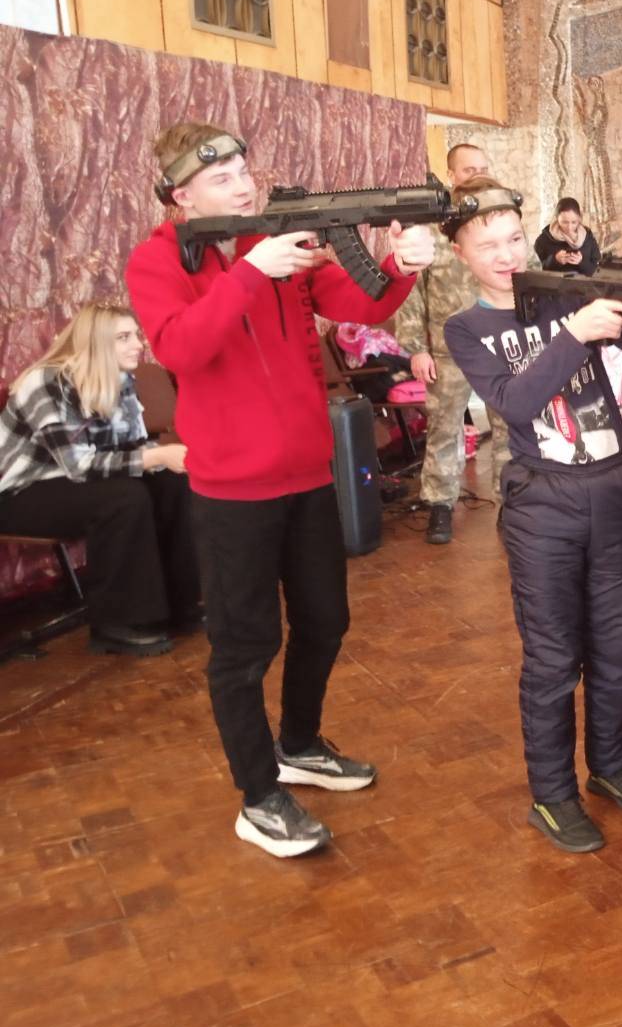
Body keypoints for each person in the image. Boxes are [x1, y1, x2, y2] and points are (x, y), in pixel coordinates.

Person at [125, 121, 436, 858]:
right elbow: (180, 347)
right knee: (245, 646)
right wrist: (249, 272)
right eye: (222, 177)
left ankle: (299, 744)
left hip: (306, 474)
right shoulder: (157, 259)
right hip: (232, 488)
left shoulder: (276, 245)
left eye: (243, 170)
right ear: (180, 196)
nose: (243, 185)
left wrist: (400, 264)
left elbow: (363, 304)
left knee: (326, 621)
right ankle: (259, 796)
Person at [443, 176, 622, 854]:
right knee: (553, 658)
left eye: (514, 238)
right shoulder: (467, 328)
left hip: (613, 490)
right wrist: (575, 333)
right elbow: (516, 402)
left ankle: (609, 767)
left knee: (620, 645)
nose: (507, 255)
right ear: (460, 253)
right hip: (542, 504)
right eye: (487, 246)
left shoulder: (565, 293)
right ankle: (552, 796)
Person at [0, 303, 198, 655]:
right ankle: (117, 623)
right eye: (123, 337)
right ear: (94, 343)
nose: (138, 344)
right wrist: (156, 456)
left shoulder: (119, 378)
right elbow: (78, 465)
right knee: (122, 498)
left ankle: (179, 605)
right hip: (18, 493)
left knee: (171, 482)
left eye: (135, 335)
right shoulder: (45, 383)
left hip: (69, 481)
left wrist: (171, 458)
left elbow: (131, 448)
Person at [394, 142, 515, 544]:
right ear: (451, 176)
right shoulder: (430, 233)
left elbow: (525, 282)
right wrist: (416, 348)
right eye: (468, 170)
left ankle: (510, 504)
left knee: (509, 430)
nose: (477, 175)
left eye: (482, 168)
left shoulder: (503, 227)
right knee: (444, 429)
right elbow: (411, 292)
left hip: (500, 347)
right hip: (447, 352)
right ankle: (440, 505)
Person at [533, 198, 602, 273]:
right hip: (553, 280)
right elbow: (536, 269)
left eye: (574, 222)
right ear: (557, 218)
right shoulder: (544, 238)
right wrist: (555, 260)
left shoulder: (588, 237)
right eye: (565, 222)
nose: (569, 227)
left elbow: (595, 270)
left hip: (582, 280)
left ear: (579, 218)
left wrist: (581, 262)